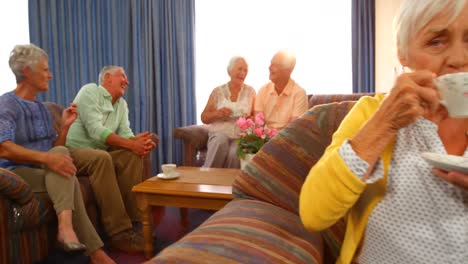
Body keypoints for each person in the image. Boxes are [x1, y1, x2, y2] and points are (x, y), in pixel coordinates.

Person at [299, 0, 468, 263]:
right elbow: (314, 213)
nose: (460, 59)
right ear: (403, 53)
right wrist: (385, 123)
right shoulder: (372, 113)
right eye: (437, 41)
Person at [0, 44, 114, 264]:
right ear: (27, 72)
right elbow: (3, 147)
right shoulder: (7, 104)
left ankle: (74, 236)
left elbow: (55, 149)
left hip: (47, 170)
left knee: (62, 156)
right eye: (45, 70)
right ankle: (92, 249)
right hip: (17, 172)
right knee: (65, 169)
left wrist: (64, 128)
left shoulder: (42, 108)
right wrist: (47, 158)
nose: (50, 75)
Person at [65, 65, 157, 253]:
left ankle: (134, 224)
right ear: (107, 78)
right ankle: (119, 233)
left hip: (100, 153)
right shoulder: (89, 91)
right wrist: (132, 143)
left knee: (132, 155)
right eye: (122, 76)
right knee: (103, 157)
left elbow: (125, 134)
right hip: (74, 152)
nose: (127, 81)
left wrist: (140, 143)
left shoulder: (121, 105)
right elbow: (96, 131)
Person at [201, 56, 256, 168]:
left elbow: (255, 116)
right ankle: (208, 178)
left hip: (240, 135)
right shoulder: (218, 92)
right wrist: (217, 113)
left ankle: (229, 184)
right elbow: (204, 117)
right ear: (229, 71)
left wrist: (250, 119)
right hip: (219, 132)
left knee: (235, 154)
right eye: (240, 69)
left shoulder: (251, 92)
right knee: (220, 141)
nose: (243, 73)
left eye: (245, 70)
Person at [254, 50, 308, 130]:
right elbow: (258, 123)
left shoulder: (299, 93)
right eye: (270, 63)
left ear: (288, 70)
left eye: (274, 64)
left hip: (287, 140)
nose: (269, 68)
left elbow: (294, 128)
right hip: (264, 139)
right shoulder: (263, 90)